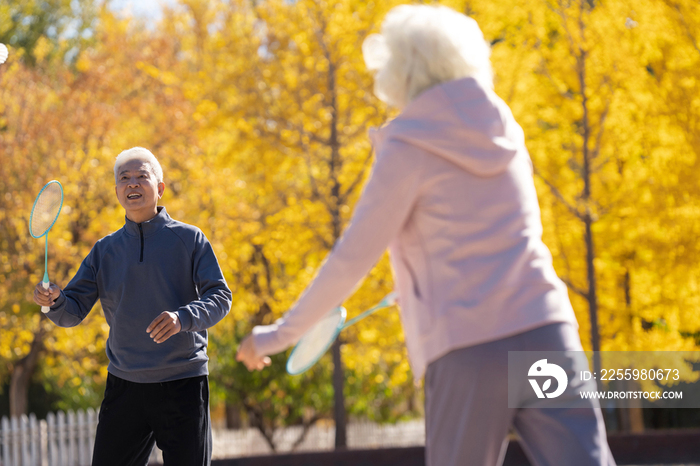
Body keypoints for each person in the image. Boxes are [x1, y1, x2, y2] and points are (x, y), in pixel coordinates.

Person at [236, 4, 616, 466]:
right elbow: (506, 235)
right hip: (546, 329)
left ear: (399, 69)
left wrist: (277, 335)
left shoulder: (407, 144)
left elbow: (353, 258)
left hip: (466, 348)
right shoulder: (504, 124)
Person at [33, 147, 231, 466]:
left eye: (142, 176)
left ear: (160, 188)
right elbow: (72, 311)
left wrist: (183, 318)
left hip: (183, 382)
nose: (132, 183)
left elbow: (221, 297)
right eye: (124, 178)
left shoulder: (190, 239)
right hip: (125, 385)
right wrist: (54, 300)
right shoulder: (104, 250)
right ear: (117, 192)